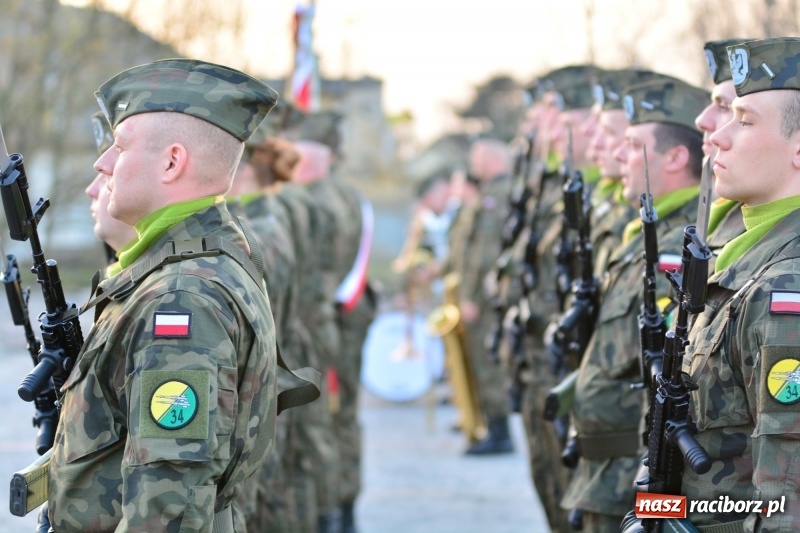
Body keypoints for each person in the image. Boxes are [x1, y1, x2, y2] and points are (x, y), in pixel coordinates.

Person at [45, 58, 279, 533]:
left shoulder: (180, 298)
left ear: (172, 162)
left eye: (120, 146)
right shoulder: (195, 263)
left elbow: (168, 507)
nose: (102, 162)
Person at [561, 77, 709, 532]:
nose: (617, 155)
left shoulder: (681, 248)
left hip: (634, 471)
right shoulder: (643, 236)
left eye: (632, 144)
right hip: (604, 470)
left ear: (675, 157)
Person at [675, 36, 800, 531]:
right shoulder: (749, 259)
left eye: (744, 121)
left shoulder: (785, 287)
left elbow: (784, 504)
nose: (718, 136)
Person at [289, 111, 378, 533]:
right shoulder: (347, 194)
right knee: (341, 418)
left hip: (324, 325)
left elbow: (317, 277)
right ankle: (344, 508)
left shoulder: (315, 200)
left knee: (320, 421)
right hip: (344, 322)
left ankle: (330, 511)